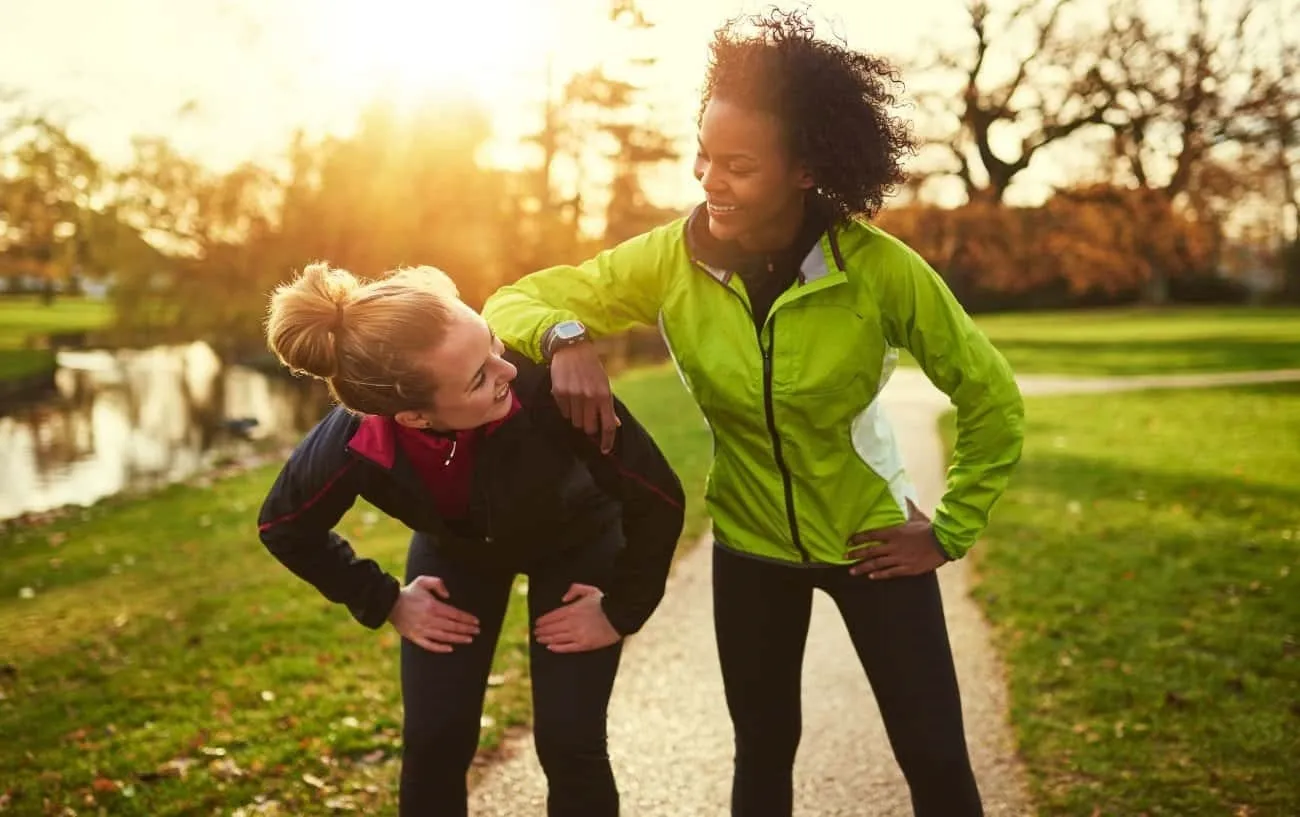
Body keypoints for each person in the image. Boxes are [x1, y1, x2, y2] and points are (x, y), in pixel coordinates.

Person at [482, 9, 1025, 817]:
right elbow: (510, 300)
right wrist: (564, 336)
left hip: (870, 539)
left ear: (806, 168)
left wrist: (948, 530)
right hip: (750, 545)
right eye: (703, 154)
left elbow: (991, 396)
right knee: (763, 751)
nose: (710, 179)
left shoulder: (877, 270)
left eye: (738, 164)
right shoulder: (672, 257)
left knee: (936, 756)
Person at [256, 262, 685, 817]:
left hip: (578, 541)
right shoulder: (355, 442)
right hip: (454, 554)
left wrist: (620, 611)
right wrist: (385, 599)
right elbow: (284, 526)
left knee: (568, 740)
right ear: (412, 416)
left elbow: (658, 498)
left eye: (492, 346)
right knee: (434, 741)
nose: (506, 369)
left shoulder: (545, 387)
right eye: (478, 378)